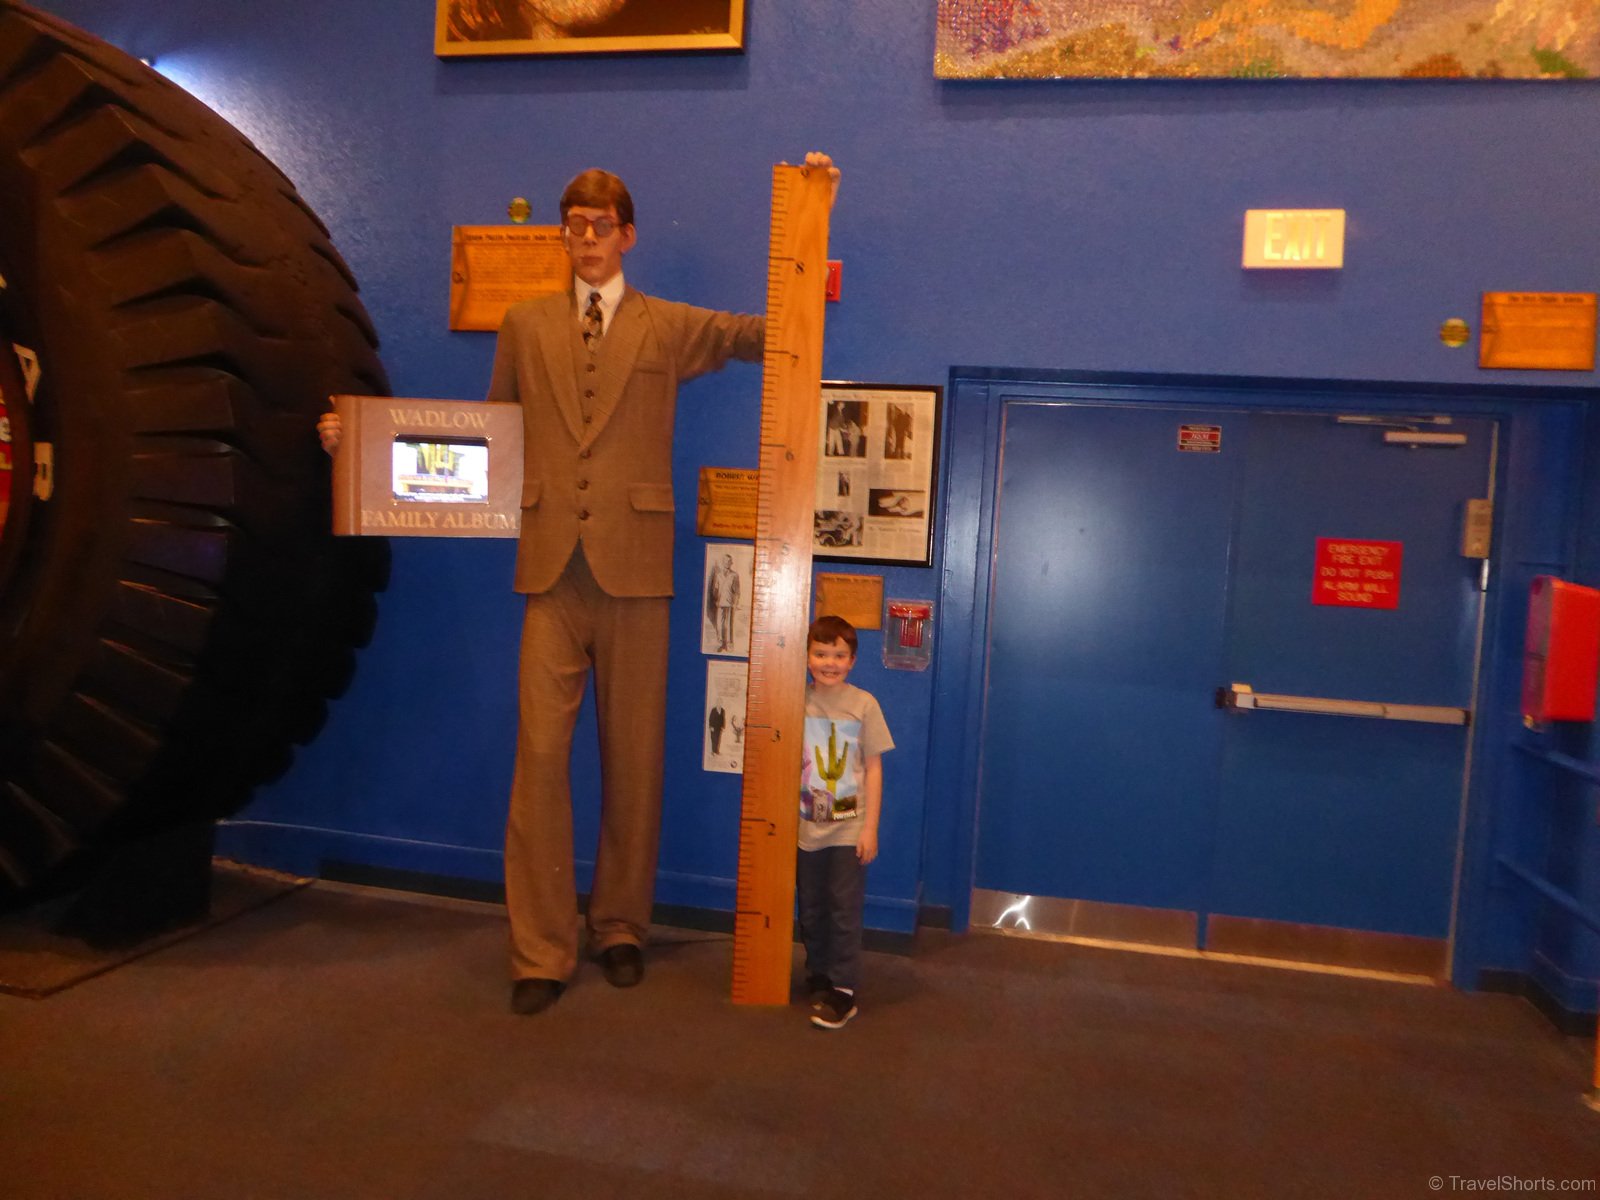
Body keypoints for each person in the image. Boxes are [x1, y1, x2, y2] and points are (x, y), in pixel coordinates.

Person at [317, 152, 839, 1016]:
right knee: (539, 763)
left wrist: (812, 218)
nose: (586, 238)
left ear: (627, 235)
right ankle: (541, 947)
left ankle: (622, 925)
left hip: (637, 572)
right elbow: (484, 438)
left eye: (600, 225)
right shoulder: (524, 326)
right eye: (574, 226)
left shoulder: (668, 326)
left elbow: (766, 335)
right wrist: (362, 446)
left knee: (635, 761)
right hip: (551, 572)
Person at [797, 614, 893, 1030]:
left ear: (852, 660)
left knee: (843, 910)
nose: (829, 663)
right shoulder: (796, 700)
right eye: (821, 654)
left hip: (849, 828)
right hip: (806, 827)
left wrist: (870, 828)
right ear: (807, 657)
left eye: (839, 655)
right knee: (812, 906)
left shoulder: (864, 704)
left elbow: (874, 768)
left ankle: (844, 989)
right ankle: (819, 971)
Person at [706, 552, 740, 652]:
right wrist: (716, 600)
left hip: (729, 603)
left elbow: (737, 592)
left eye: (729, 561)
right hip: (720, 602)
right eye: (726, 561)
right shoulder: (718, 575)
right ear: (723, 562)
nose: (727, 563)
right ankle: (720, 643)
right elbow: (715, 589)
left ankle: (728, 644)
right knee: (719, 623)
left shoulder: (734, 575)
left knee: (728, 623)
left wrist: (735, 603)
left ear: (731, 563)